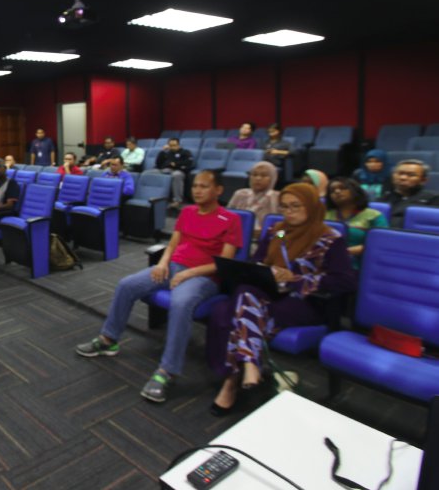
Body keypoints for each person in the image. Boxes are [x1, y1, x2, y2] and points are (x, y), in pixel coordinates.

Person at [76, 171, 243, 403]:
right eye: (195, 185)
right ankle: (108, 340)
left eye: (204, 186)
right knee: (127, 285)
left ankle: (168, 371)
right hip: (173, 267)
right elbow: (174, 242)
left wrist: (189, 273)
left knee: (180, 301)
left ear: (218, 190)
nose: (197, 190)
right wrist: (163, 263)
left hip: (203, 277)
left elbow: (225, 262)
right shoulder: (187, 211)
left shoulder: (231, 219)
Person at [206, 183, 356, 416]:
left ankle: (232, 381)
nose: (289, 211)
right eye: (284, 206)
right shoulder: (278, 230)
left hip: (303, 301)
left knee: (226, 313)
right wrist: (265, 271)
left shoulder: (329, 239)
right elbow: (257, 260)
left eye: (296, 206)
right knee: (244, 292)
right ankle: (249, 363)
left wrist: (296, 278)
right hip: (265, 293)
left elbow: (344, 281)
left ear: (312, 206)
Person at [325, 177, 388, 269]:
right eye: (332, 191)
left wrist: (346, 252)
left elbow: (382, 243)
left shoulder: (374, 215)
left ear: (355, 191)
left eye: (343, 188)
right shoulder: (324, 215)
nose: (337, 192)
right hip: (327, 263)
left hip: (360, 265)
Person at [378, 159, 439, 227]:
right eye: (400, 173)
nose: (403, 178)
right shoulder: (382, 199)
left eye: (411, 175)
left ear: (423, 180)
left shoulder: (434, 199)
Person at [226, 161, 280, 235]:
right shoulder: (240, 194)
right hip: (236, 237)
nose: (258, 178)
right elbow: (226, 218)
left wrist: (278, 237)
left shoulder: (277, 198)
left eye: (264, 175)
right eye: (254, 175)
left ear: (273, 178)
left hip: (266, 240)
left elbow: (281, 232)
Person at [152, 137, 194, 209]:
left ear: (179, 145)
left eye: (174, 145)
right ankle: (155, 198)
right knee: (150, 173)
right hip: (166, 169)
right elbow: (158, 163)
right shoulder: (167, 153)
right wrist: (162, 151)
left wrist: (176, 164)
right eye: (170, 145)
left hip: (179, 170)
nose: (172, 147)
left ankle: (177, 200)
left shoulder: (185, 152)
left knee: (176, 175)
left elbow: (189, 163)